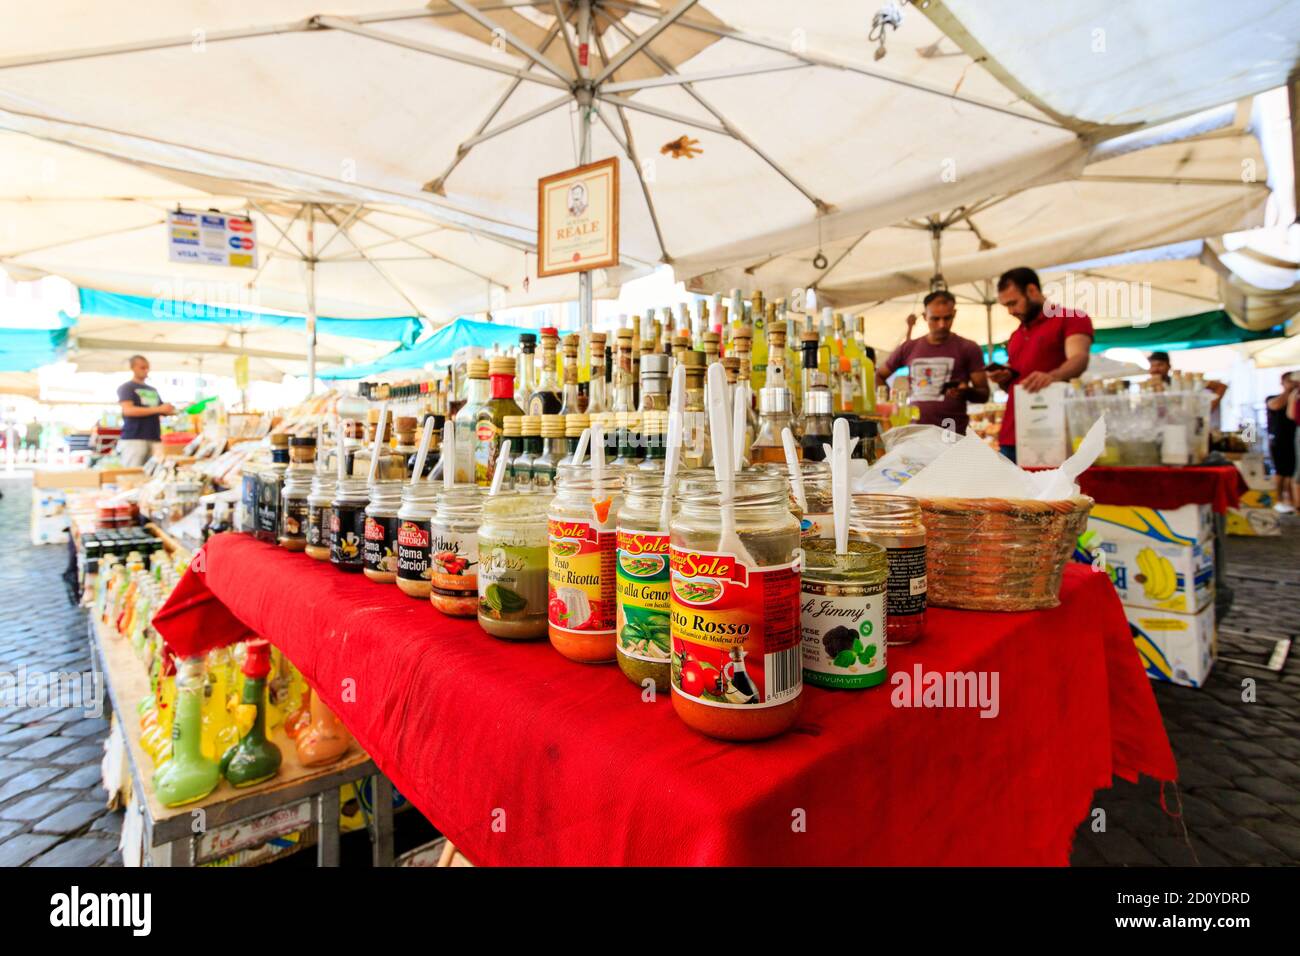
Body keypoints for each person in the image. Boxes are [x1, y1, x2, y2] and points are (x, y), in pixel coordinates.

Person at [991, 267, 1094, 462]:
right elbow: (1017, 382)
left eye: (1014, 303)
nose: (1011, 311)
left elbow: (1079, 358)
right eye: (1006, 306)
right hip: (1012, 435)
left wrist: (1052, 376)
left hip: (1053, 433)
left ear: (1032, 290)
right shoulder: (1015, 336)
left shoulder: (1071, 318)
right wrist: (1003, 379)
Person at [876, 290, 989, 436]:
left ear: (954, 313)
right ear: (924, 317)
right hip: (915, 433)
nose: (941, 324)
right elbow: (879, 375)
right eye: (935, 319)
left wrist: (966, 392)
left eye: (947, 318)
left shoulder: (968, 348)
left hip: (953, 434)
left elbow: (984, 394)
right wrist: (891, 405)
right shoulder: (909, 347)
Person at [116, 355, 175, 468]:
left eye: (147, 368)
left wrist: (169, 410)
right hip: (134, 438)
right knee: (133, 471)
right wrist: (159, 409)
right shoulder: (127, 387)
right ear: (133, 368)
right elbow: (128, 410)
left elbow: (162, 409)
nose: (146, 370)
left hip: (154, 437)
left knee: (157, 471)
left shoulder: (152, 390)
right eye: (142, 367)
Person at [1266, 372, 1298, 513]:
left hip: (1294, 439)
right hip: (1278, 439)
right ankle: (1278, 499)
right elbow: (1276, 405)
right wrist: (1289, 392)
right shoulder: (1273, 398)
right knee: (1280, 470)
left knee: (1292, 472)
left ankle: (1290, 500)